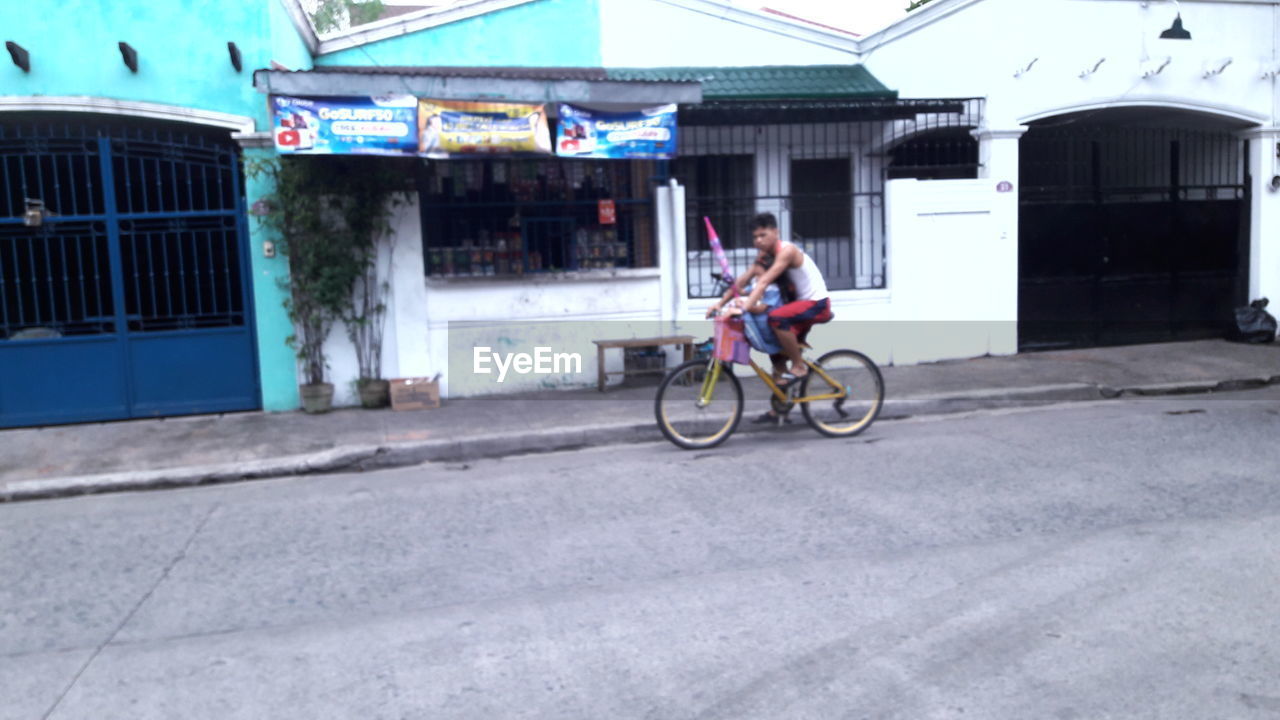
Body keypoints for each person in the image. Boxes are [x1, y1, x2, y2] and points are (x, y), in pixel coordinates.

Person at [707, 212, 832, 383]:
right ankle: (780, 405)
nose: (758, 240)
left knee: (776, 317)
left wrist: (743, 309)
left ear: (776, 232)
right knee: (773, 348)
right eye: (755, 237)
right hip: (797, 305)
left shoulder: (787, 251)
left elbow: (764, 281)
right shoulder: (764, 255)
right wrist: (719, 304)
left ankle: (798, 366)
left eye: (763, 235)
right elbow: (743, 280)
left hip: (816, 303)